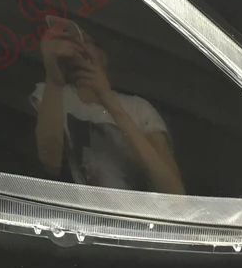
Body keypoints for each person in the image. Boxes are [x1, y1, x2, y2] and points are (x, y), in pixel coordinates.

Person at [30, 23, 185, 194]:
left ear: (103, 56)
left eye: (84, 41)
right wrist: (53, 78)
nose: (77, 48)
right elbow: (50, 163)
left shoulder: (139, 108)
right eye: (69, 42)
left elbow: (174, 192)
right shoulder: (52, 94)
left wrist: (107, 98)